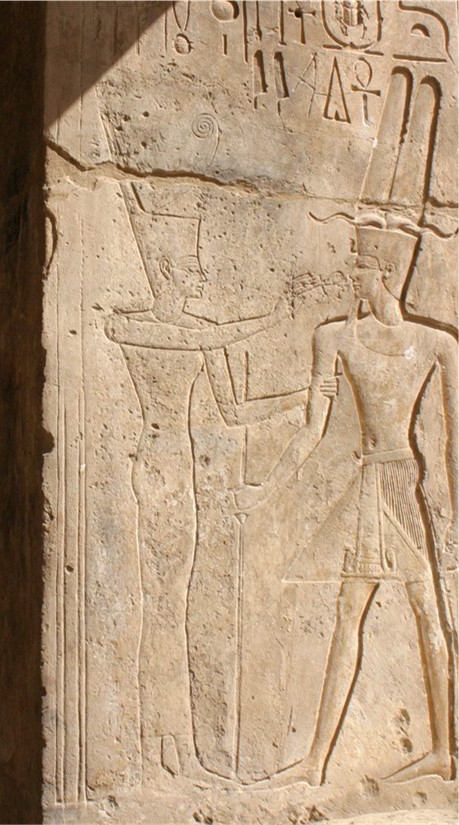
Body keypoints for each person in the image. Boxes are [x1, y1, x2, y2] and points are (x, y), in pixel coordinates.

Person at [104, 184, 334, 786]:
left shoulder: (197, 330)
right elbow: (195, 339)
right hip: (156, 467)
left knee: (174, 606)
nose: (201, 277)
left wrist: (300, 401)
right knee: (160, 604)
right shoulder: (134, 327)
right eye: (190, 267)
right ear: (164, 271)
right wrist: (272, 318)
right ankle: (158, 750)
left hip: (180, 469)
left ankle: (176, 748)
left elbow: (233, 411)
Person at [236, 225, 457, 786]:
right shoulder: (334, 337)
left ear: (387, 272)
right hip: (369, 485)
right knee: (349, 613)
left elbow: (453, 443)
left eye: (360, 266)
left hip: (401, 486)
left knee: (426, 611)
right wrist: (266, 488)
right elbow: (313, 429)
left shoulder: (437, 344)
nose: (351, 275)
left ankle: (441, 751)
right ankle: (316, 763)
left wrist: (453, 511)